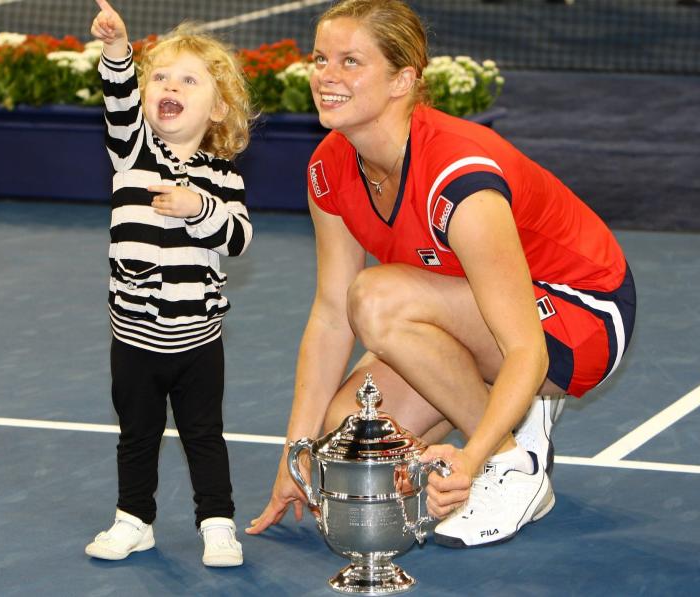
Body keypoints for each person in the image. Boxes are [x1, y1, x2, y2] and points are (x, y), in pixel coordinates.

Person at [246, 0, 635, 549]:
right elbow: (332, 316)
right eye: (320, 58)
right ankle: (512, 413)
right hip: (474, 307)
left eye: (350, 62)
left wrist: (474, 459)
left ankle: (515, 462)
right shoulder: (329, 167)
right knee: (348, 437)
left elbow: (526, 348)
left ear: (403, 79)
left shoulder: (459, 177)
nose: (326, 76)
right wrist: (298, 452)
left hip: (580, 313)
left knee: (378, 299)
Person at [84, 0, 253, 566]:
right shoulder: (132, 152)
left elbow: (238, 239)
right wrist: (116, 50)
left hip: (199, 341)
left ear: (218, 105)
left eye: (188, 79)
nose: (168, 86)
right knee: (137, 435)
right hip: (132, 337)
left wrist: (198, 207)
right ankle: (134, 520)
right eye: (159, 76)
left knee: (205, 435)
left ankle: (217, 523)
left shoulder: (223, 176)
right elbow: (119, 105)